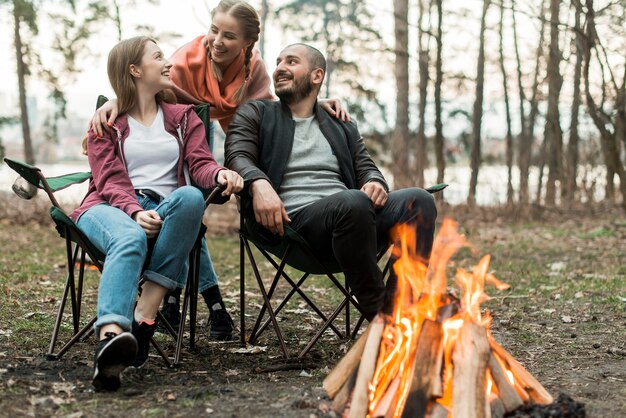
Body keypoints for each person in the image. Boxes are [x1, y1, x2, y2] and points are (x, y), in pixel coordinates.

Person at [89, 0, 349, 341]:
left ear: (246, 45)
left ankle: (170, 303)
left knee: (190, 199)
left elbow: (271, 108)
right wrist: (113, 102)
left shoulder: (252, 69)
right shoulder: (182, 63)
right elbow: (136, 91)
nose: (217, 41)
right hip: (177, 127)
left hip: (191, 128)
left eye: (229, 36)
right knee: (174, 216)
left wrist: (317, 103)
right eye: (214, 30)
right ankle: (197, 303)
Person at [72, 36, 243, 391]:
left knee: (191, 198)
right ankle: (111, 338)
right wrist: (134, 211)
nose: (169, 63)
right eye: (158, 56)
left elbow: (200, 163)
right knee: (130, 237)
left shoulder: (184, 118)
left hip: (166, 212)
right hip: (108, 208)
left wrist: (219, 174)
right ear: (135, 70)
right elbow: (109, 179)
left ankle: (145, 316)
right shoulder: (107, 122)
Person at [224, 44, 437, 319]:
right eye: (278, 62)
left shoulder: (341, 123)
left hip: (355, 221)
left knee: (419, 201)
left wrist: (375, 183)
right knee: (353, 201)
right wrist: (258, 183)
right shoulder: (256, 114)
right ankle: (382, 319)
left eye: (291, 61)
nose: (279, 68)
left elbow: (366, 167)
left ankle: (400, 310)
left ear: (316, 76)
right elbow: (237, 155)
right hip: (293, 225)